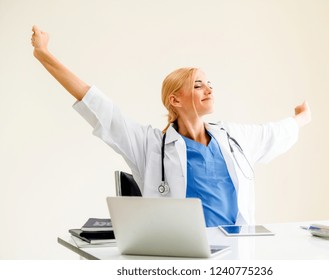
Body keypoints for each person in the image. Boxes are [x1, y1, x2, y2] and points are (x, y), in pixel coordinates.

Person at [31, 25, 311, 227]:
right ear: (174, 99)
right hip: (180, 255)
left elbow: (275, 133)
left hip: (235, 249)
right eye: (198, 85)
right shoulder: (150, 146)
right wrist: (44, 55)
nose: (209, 89)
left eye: (209, 84)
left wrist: (301, 117)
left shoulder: (233, 138)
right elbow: (99, 107)